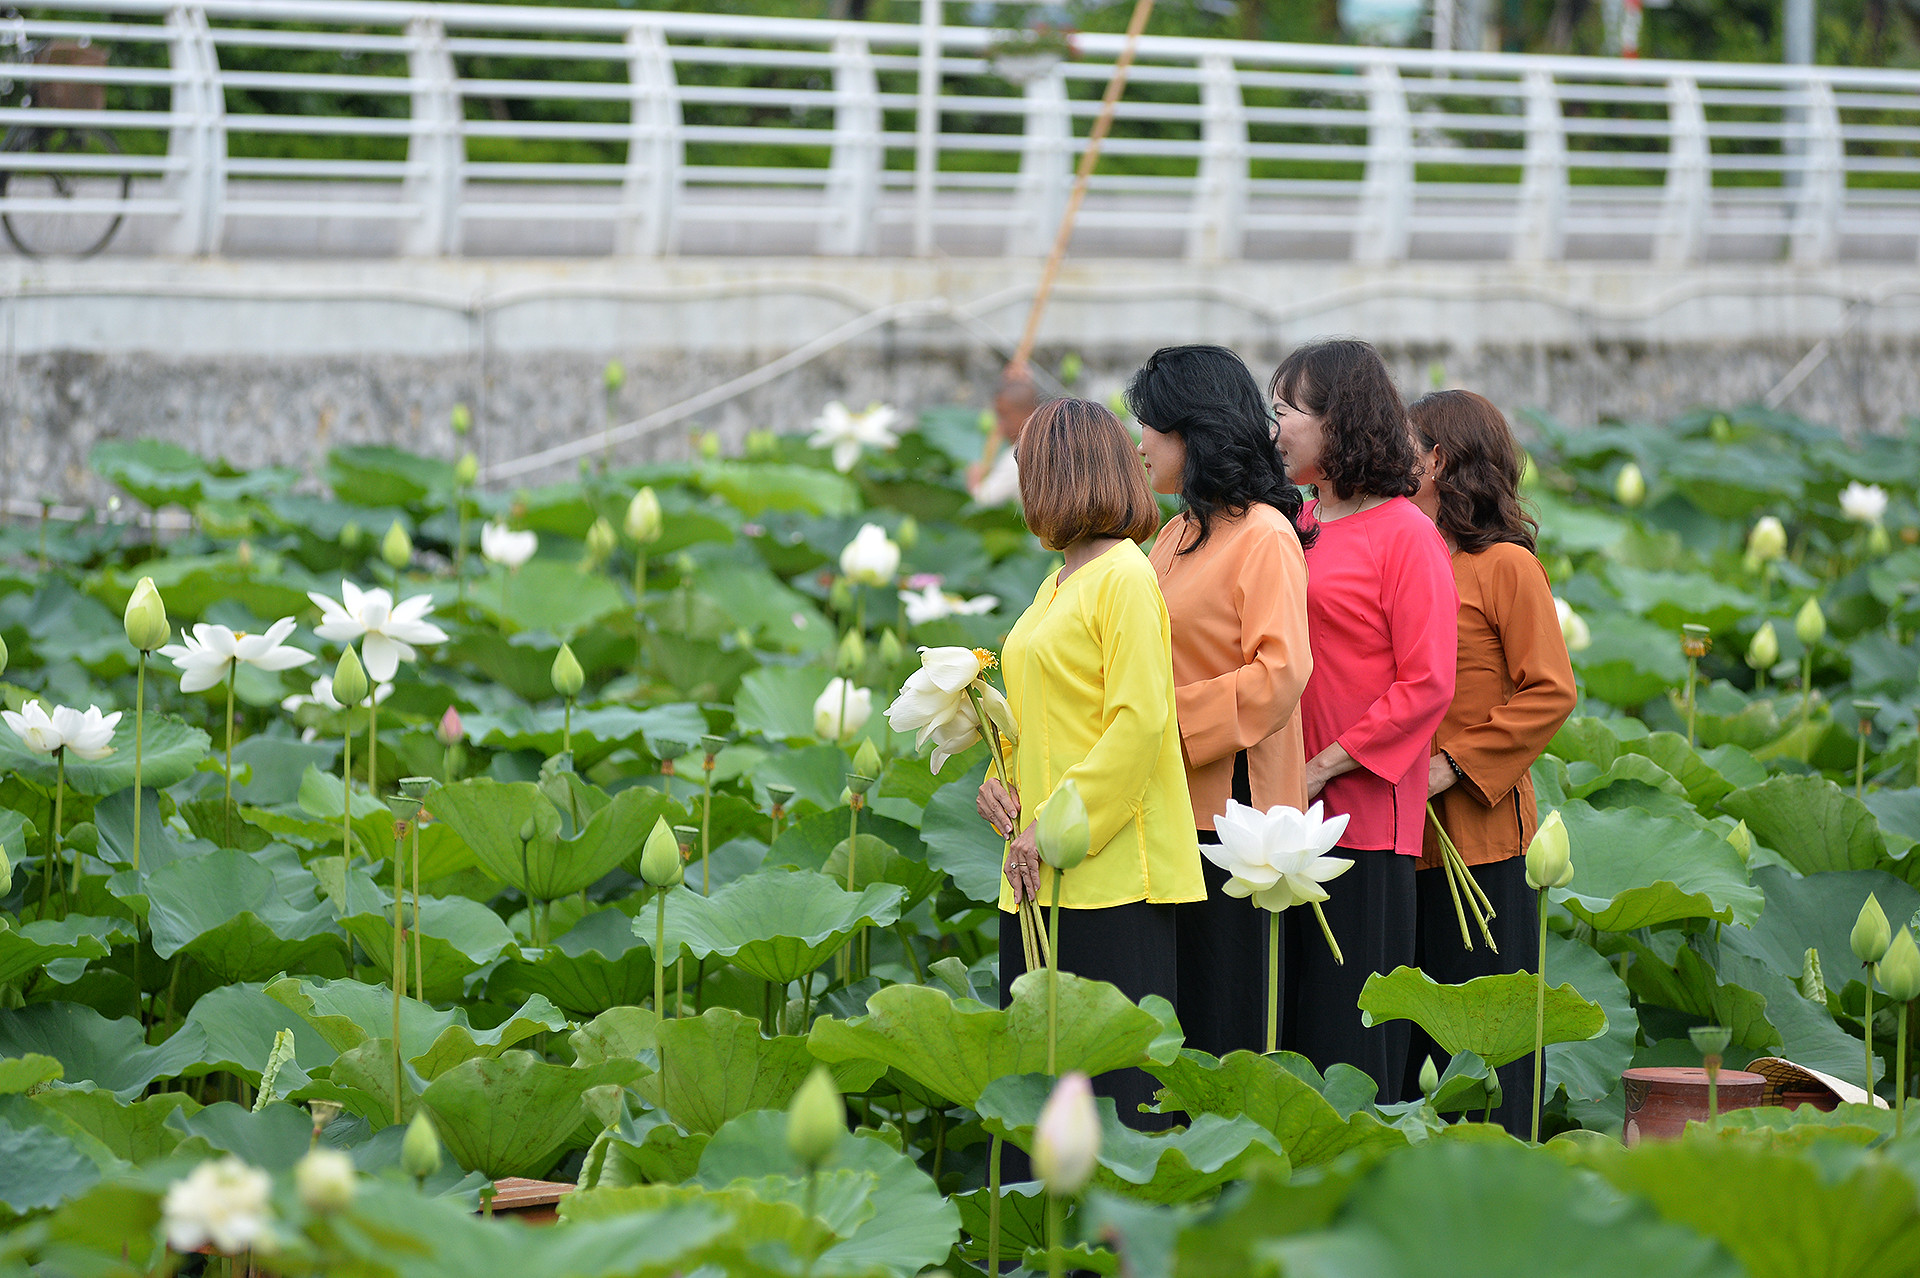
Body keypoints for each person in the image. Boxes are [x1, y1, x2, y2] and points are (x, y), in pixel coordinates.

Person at [976, 395, 1203, 1129]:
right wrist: (998, 781)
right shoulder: (1058, 582)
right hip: (1035, 865)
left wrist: (1057, 828)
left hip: (1103, 873)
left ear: (1059, 472)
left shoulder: (1126, 578)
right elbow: (1036, 714)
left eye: (1025, 466)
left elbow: (1137, 725)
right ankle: (1034, 1240)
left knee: (1109, 1095)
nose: (1018, 482)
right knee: (1038, 1082)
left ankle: (1109, 1241)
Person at [1270, 338, 1457, 1100]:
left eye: (1287, 413)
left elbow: (1426, 684)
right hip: (1280, 813)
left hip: (1362, 818)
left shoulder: (1406, 533)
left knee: (1349, 1045)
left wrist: (1323, 765)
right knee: (1284, 1035)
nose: (1274, 429)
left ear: (1338, 420)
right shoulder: (1297, 521)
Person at [1127, 345, 1315, 1059]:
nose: (1139, 443)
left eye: (1152, 426)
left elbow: (1280, 674)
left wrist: (1164, 725)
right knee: (1176, 1015)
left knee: (1225, 1016)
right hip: (1169, 801)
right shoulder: (1172, 535)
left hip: (1234, 815)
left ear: (1194, 432)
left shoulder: (1266, 534)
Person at [1403, 388, 1578, 1134]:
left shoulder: (1505, 565)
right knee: (1410, 1030)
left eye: (1406, 447)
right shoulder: (1402, 552)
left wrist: (1454, 766)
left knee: (1493, 1046)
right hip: (1399, 833)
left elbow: (1551, 691)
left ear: (1439, 459)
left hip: (1482, 835)